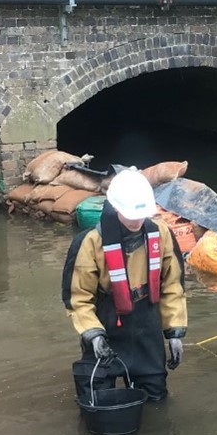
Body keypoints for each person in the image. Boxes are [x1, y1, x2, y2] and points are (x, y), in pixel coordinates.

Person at [64, 168, 187, 402]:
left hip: (146, 321)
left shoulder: (160, 234)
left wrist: (174, 332)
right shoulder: (90, 242)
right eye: (130, 214)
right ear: (116, 207)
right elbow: (78, 297)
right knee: (95, 394)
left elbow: (173, 285)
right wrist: (94, 335)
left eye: (141, 215)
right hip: (107, 322)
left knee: (155, 395)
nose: (136, 221)